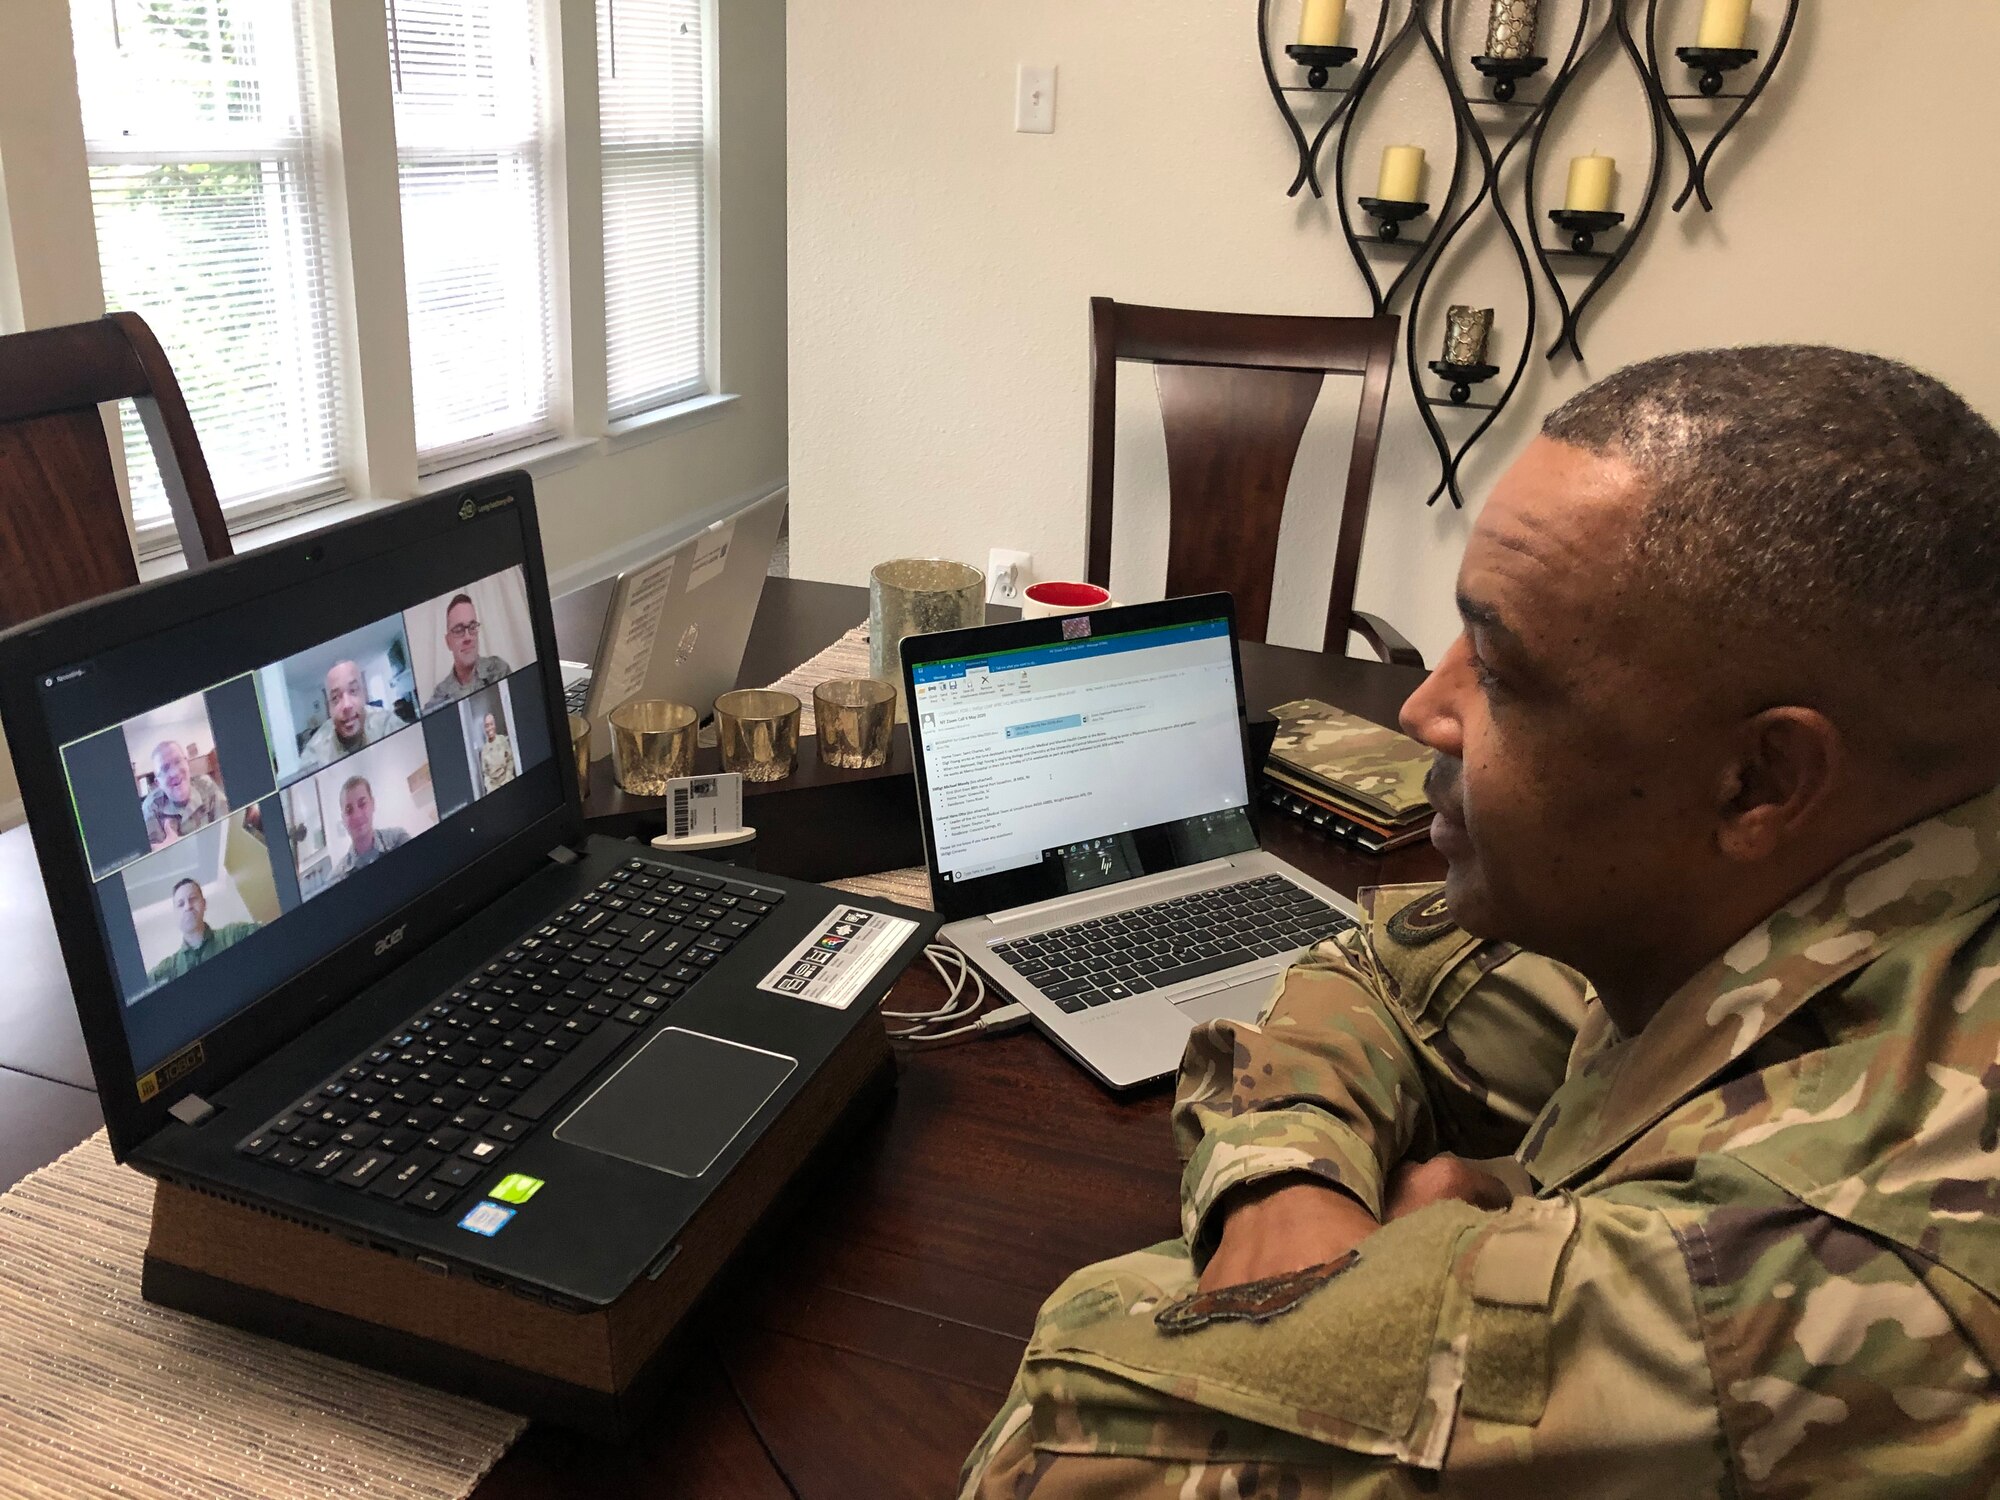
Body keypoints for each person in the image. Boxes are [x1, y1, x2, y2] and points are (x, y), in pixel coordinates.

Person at [960, 346, 2000, 1498]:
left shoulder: (1840, 1274)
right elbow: (1383, 974)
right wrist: (1285, 1182)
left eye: (1499, 672)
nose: (1421, 706)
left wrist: (1434, 1254)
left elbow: (1063, 1438)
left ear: (1755, 782)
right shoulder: (1798, 890)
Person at [146, 877, 258, 983]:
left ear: (204, 904)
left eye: (193, 899)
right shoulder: (167, 970)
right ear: (175, 914)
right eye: (180, 904)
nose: (188, 907)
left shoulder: (235, 934)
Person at [298, 660, 403, 771]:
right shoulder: (315, 753)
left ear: (364, 695)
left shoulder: (387, 724)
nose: (347, 705)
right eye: (335, 698)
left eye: (353, 690)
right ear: (329, 708)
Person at [423, 593, 512, 709]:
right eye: (458, 630)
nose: (468, 637)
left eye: (472, 627)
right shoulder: (440, 696)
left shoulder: (499, 669)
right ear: (448, 642)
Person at [139, 739, 228, 847]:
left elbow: (227, 830)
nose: (175, 772)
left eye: (178, 761)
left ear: (187, 763)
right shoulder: (150, 807)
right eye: (165, 769)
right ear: (158, 783)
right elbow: (155, 854)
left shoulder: (206, 785)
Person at [332, 775, 410, 878]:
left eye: (362, 804)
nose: (357, 815)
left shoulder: (398, 840)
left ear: (373, 804)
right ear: (343, 819)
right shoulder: (338, 877)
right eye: (349, 810)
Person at [478, 711, 515, 793]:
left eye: (491, 724)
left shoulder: (503, 740)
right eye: (487, 725)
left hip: (508, 781)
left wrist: (508, 779)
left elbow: (510, 760)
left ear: (495, 725)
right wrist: (490, 788)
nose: (490, 728)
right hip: (494, 788)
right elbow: (486, 774)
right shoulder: (484, 751)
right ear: (484, 728)